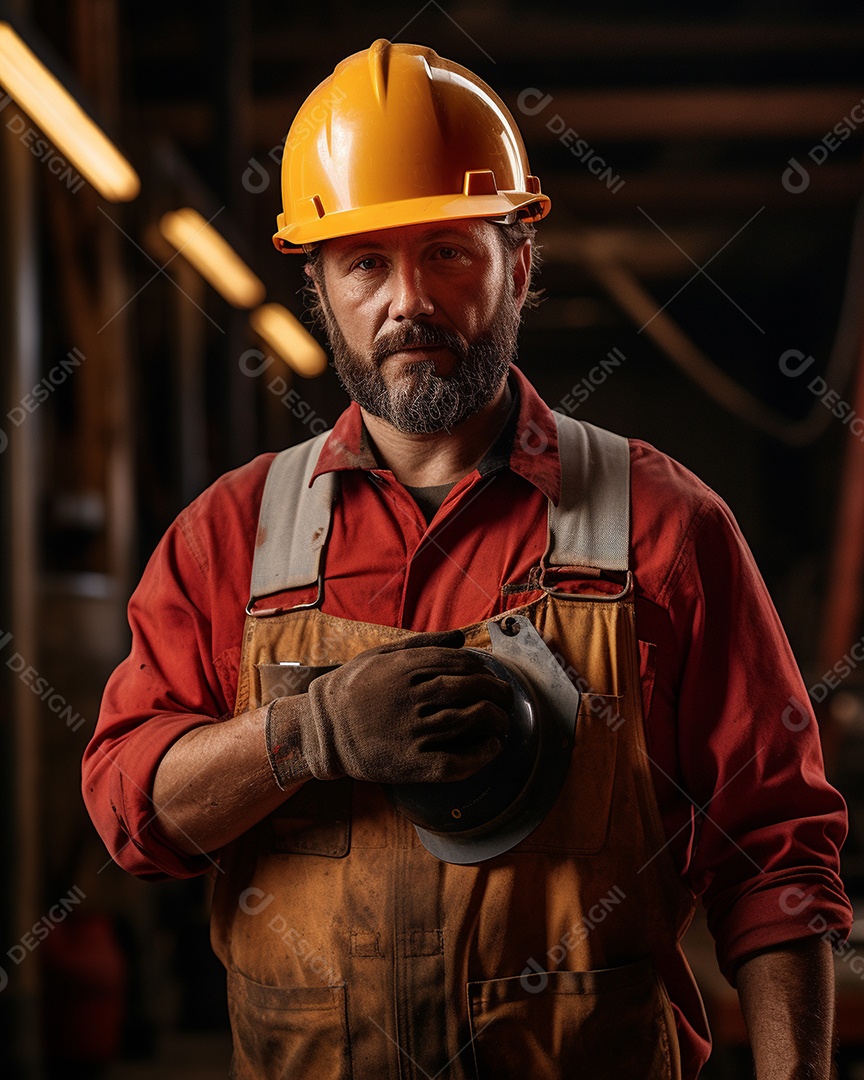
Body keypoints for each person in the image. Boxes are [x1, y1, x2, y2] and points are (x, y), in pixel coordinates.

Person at [82, 40, 852, 1079]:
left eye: (449, 250)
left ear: (519, 264)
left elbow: (772, 849)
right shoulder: (231, 536)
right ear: (318, 287)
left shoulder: (665, 528)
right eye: (366, 263)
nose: (410, 301)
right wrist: (304, 735)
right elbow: (134, 813)